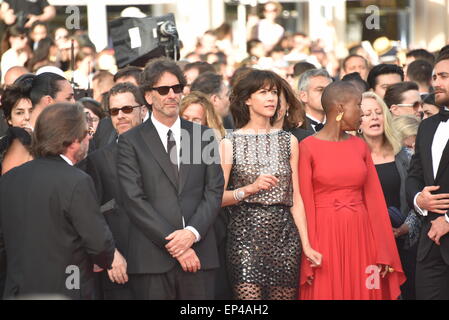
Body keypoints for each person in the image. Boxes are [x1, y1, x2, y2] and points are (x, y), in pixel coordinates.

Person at [116, 57, 224, 300]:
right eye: (163, 90)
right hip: (152, 260)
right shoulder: (130, 141)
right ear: (148, 96)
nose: (172, 95)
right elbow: (134, 200)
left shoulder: (203, 135)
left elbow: (214, 191)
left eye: (177, 88)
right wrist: (178, 246)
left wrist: (192, 233)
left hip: (200, 254)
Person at [298, 81, 405, 300]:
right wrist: (307, 251)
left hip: (363, 236)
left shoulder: (359, 146)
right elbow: (304, 202)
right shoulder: (307, 147)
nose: (362, 115)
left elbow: (374, 200)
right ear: (339, 108)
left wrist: (383, 250)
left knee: (366, 289)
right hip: (324, 237)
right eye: (358, 106)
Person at [220, 69, 321, 300]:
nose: (271, 98)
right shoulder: (230, 142)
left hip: (286, 237)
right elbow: (217, 198)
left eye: (274, 93)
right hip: (244, 236)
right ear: (247, 99)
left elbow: (295, 197)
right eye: (263, 92)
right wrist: (249, 189)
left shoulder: (289, 140)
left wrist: (306, 245)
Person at [0, 103, 115, 300]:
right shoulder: (77, 181)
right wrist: (102, 261)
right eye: (86, 132)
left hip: (17, 291)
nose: (89, 137)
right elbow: (100, 245)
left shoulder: (9, 179)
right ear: (73, 141)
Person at [85, 83, 147, 300]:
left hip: (163, 262)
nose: (120, 116)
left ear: (143, 110)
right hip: (121, 264)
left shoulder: (167, 152)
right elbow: (91, 214)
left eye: (127, 109)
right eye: (114, 111)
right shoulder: (97, 160)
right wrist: (109, 255)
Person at [358, 92, 420, 299]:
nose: (374, 117)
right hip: (367, 246)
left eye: (378, 112)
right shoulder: (352, 157)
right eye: (366, 114)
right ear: (357, 122)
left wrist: (406, 227)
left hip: (405, 243)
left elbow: (417, 198)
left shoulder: (405, 155)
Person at [406, 52, 449, 300]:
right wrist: (418, 200)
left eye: (443, 76)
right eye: (434, 77)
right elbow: (414, 175)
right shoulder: (428, 125)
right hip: (430, 247)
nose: (436, 83)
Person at [1, 72, 75, 175]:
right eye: (68, 98)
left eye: (31, 111)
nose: (27, 117)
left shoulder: (57, 136)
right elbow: (10, 182)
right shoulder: (16, 142)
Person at [273, 76, 312, 142]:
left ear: (287, 104)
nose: (272, 106)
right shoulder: (251, 137)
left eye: (278, 101)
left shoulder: (306, 139)